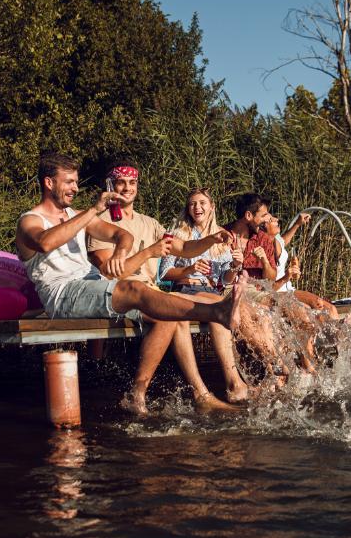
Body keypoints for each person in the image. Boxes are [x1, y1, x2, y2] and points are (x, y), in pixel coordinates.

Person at [14, 152, 246, 413]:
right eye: (69, 182)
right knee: (135, 288)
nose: (75, 188)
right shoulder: (30, 220)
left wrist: (121, 250)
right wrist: (93, 211)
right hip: (62, 293)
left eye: (76, 182)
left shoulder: (81, 216)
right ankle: (217, 312)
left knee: (164, 313)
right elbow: (45, 242)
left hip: (91, 286)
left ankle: (138, 394)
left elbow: (122, 234)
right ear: (49, 183)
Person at [88, 168, 251, 410]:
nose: (127, 188)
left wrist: (211, 240)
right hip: (120, 293)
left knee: (178, 311)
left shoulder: (150, 223)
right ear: (110, 185)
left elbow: (183, 248)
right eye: (120, 183)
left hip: (151, 292)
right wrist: (149, 253)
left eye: (132, 182)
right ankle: (200, 391)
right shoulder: (100, 223)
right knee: (175, 312)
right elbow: (110, 273)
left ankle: (214, 389)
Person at [158, 188, 236, 294]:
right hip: (186, 288)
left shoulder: (221, 236)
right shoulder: (178, 234)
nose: (197, 207)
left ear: (212, 207)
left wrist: (235, 265)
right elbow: (164, 273)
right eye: (192, 204)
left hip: (211, 291)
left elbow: (226, 279)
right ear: (188, 209)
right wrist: (190, 269)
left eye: (202, 203)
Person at [265, 213, 339, 317]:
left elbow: (284, 241)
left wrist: (297, 224)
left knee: (331, 308)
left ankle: (338, 326)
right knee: (315, 307)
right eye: (271, 219)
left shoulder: (276, 238)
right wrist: (286, 276)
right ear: (263, 227)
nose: (276, 219)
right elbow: (267, 288)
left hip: (288, 289)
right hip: (276, 292)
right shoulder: (262, 249)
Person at [224, 193, 277, 281]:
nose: (267, 220)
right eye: (263, 216)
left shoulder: (264, 240)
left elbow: (271, 280)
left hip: (256, 289)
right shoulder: (222, 236)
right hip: (226, 288)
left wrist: (265, 261)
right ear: (248, 215)